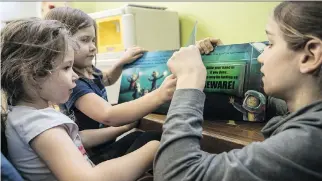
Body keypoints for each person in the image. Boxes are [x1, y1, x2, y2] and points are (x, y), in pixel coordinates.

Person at [154, 2, 322, 181]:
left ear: (310, 55)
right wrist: (225, 58)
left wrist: (189, 80)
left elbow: (174, 174)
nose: (260, 57)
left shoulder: (309, 139)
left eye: (271, 43)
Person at [1, 18, 159, 181]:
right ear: (35, 75)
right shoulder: (41, 125)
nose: (75, 76)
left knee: (143, 138)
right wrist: (154, 149)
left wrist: (122, 129)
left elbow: (75, 139)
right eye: (66, 67)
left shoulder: (26, 114)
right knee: (153, 140)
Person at [44, 7, 176, 163]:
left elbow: (106, 78)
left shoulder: (88, 70)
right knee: (153, 139)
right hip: (91, 157)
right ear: (61, 43)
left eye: (93, 40)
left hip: (106, 146)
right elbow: (108, 115)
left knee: (149, 136)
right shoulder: (73, 83)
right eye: (85, 40)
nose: (93, 46)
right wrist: (161, 94)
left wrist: (120, 63)